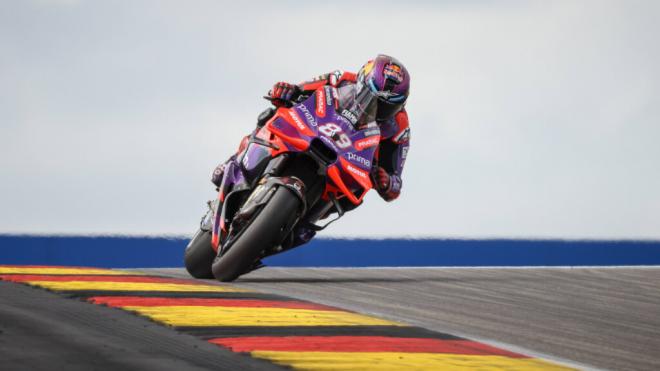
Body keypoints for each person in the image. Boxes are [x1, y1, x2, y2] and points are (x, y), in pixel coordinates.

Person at [211, 55, 411, 246]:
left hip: (348, 161)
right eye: (369, 96)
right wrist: (287, 91)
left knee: (356, 194)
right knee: (272, 114)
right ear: (361, 81)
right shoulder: (340, 79)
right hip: (312, 131)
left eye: (383, 106)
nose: (373, 107)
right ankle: (235, 162)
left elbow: (396, 184)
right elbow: (299, 90)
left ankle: (303, 222)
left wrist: (386, 181)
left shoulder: (399, 127)